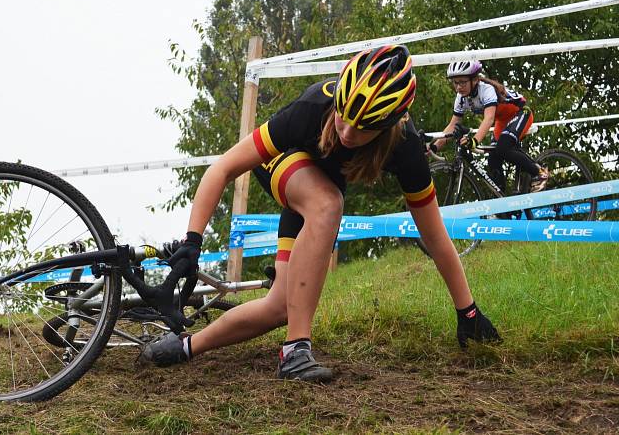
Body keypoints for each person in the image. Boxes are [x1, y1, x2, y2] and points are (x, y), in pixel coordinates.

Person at [141, 45, 501, 382]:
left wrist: (467, 312)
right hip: (283, 167)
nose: (345, 132)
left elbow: (436, 237)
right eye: (343, 117)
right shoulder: (315, 106)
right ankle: (296, 351)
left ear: (388, 125)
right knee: (328, 204)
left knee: (281, 305)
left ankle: (187, 346)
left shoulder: (406, 147)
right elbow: (222, 168)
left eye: (361, 129)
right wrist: (192, 241)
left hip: (319, 197)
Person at [437, 60, 549, 193]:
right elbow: (453, 124)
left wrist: (474, 141)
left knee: (503, 148)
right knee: (493, 158)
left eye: (463, 82)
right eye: (456, 82)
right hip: (503, 121)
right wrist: (434, 146)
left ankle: (540, 172)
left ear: (475, 80)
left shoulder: (486, 89)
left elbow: (489, 118)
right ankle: (501, 201)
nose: (459, 87)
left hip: (520, 113)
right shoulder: (461, 97)